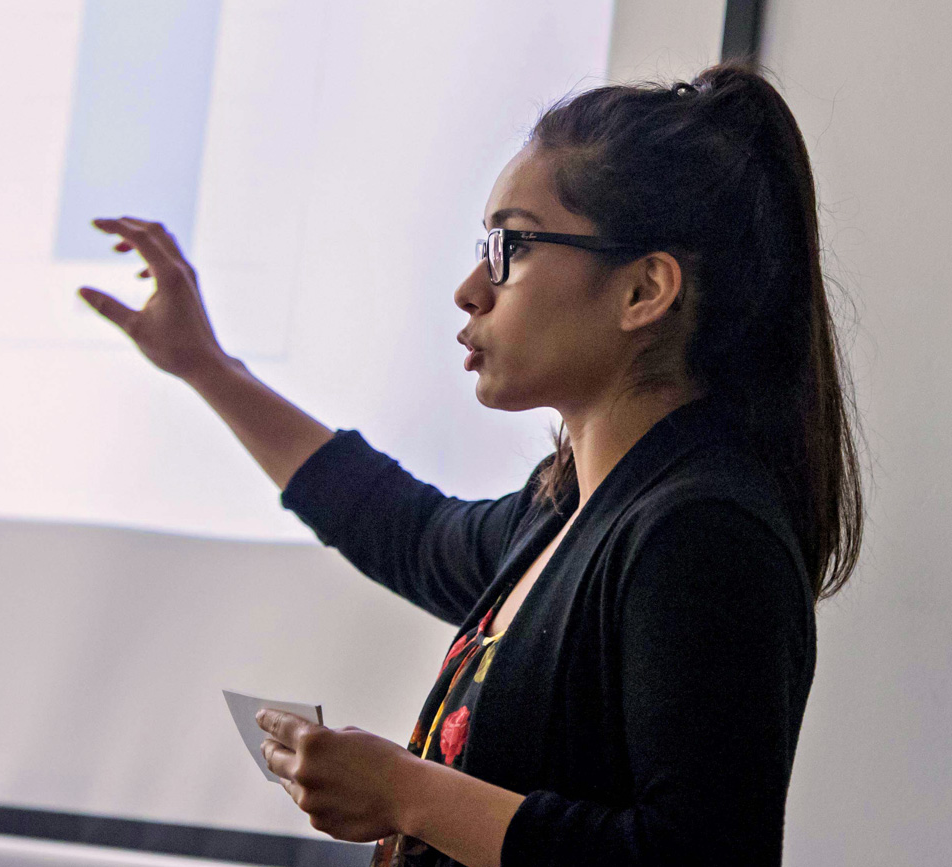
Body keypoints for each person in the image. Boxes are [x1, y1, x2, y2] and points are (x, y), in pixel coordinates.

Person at [77, 60, 864, 867]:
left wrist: (405, 792)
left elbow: (693, 859)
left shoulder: (703, 531)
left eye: (508, 247)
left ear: (643, 291)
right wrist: (207, 366)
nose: (468, 288)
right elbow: (402, 525)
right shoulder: (568, 507)